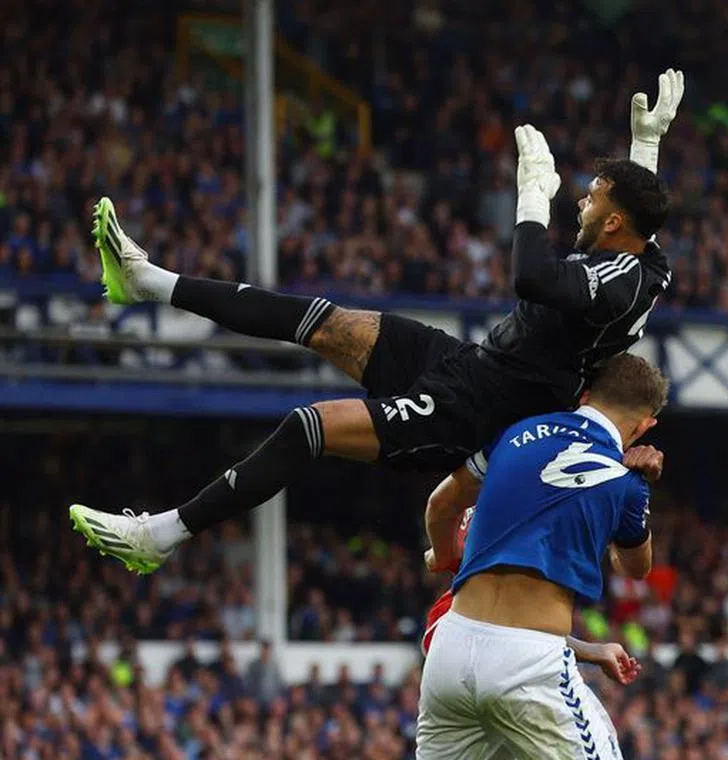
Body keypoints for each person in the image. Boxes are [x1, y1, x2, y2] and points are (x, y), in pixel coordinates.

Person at [68, 71, 685, 573]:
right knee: (328, 321)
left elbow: (530, 277)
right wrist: (648, 147)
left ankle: (161, 535)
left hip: (486, 409)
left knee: (309, 425)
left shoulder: (617, 278)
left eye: (594, 195)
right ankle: (146, 281)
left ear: (611, 224)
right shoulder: (639, 258)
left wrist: (530, 195)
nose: (582, 199)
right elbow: (639, 219)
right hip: (473, 364)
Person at [415, 353, 668, 759]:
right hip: (527, 665)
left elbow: (440, 504)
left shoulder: (515, 434)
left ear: (585, 395)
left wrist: (445, 555)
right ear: (645, 425)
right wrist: (638, 490)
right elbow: (635, 567)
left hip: (449, 652)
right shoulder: (625, 481)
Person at [420, 505, 643, 760]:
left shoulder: (451, 620)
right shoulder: (454, 619)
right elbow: (510, 637)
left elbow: (513, 632)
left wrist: (594, 651)